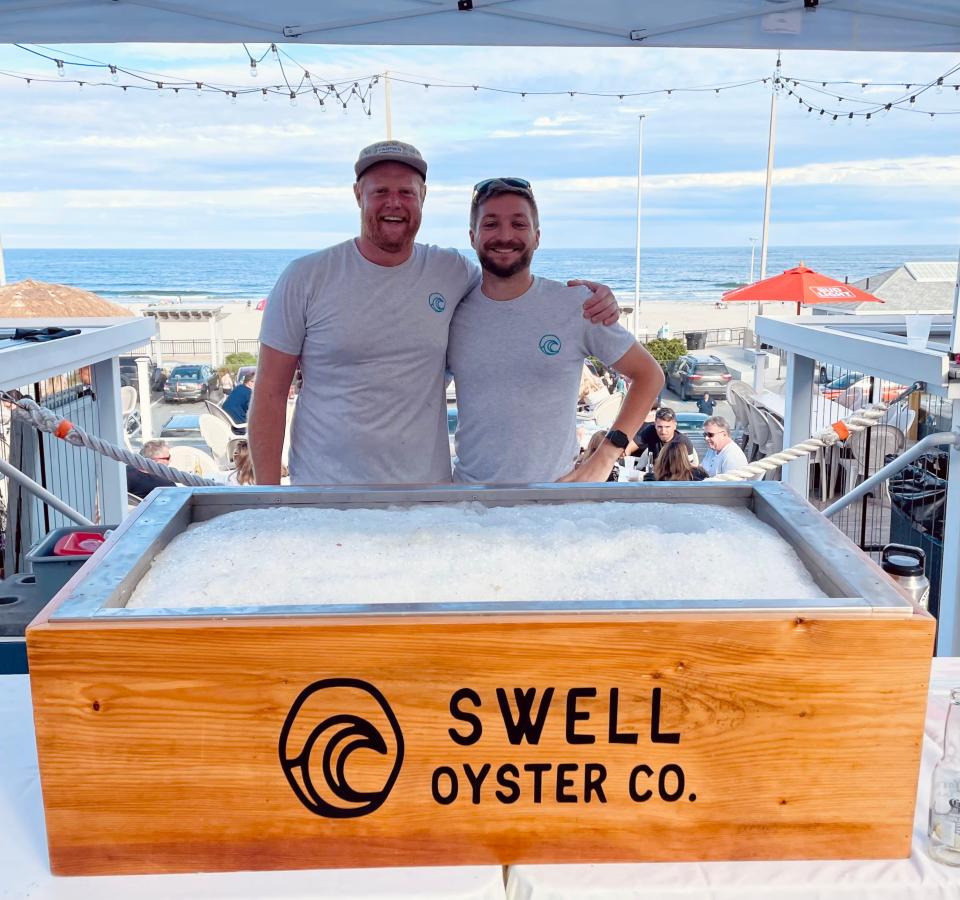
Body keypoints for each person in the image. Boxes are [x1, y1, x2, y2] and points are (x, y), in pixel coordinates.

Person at [250, 140, 620, 486]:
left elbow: (509, 284)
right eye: (380, 191)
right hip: (325, 490)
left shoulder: (452, 271)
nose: (394, 203)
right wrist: (268, 499)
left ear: (422, 198)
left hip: (427, 497)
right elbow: (269, 393)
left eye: (406, 192)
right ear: (358, 195)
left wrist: (594, 298)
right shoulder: (306, 277)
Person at [447, 177, 664, 484]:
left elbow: (649, 375)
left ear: (537, 237)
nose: (505, 235)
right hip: (470, 502)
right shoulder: (452, 311)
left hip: (554, 502)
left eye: (519, 224)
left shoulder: (575, 305)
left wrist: (604, 457)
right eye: (491, 224)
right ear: (473, 236)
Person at [627, 406, 697, 465]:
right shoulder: (650, 431)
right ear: (655, 425)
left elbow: (689, 469)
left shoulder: (683, 442)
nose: (663, 431)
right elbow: (630, 447)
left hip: (675, 479)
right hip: (653, 477)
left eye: (667, 427)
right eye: (659, 427)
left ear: (675, 426)